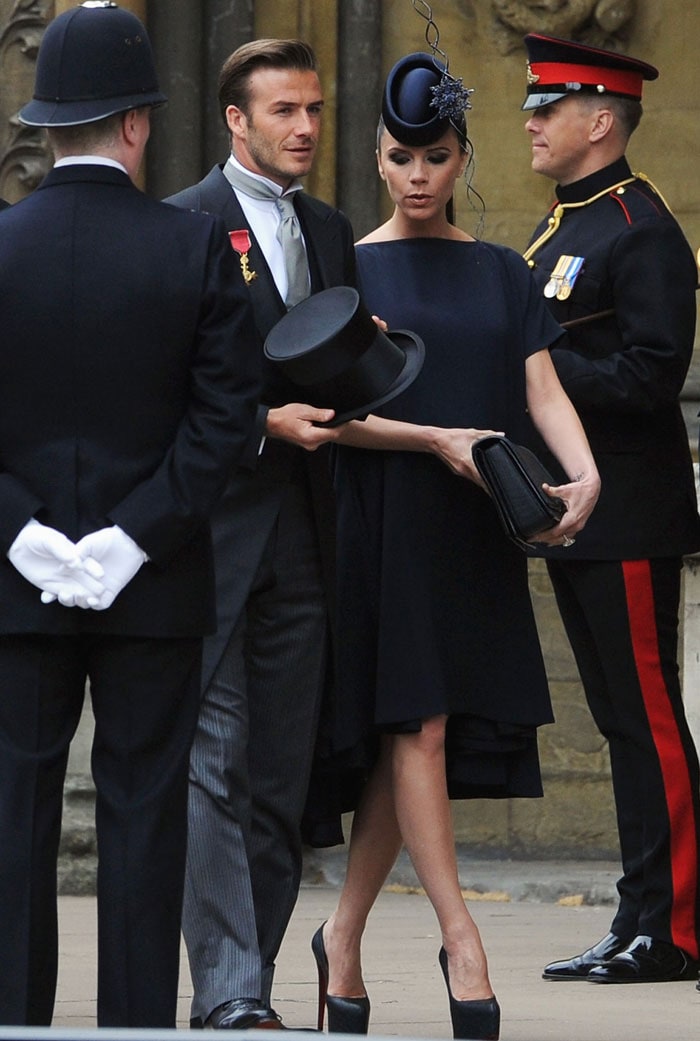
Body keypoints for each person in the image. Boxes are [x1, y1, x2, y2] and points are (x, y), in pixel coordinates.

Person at [308, 51, 600, 1041]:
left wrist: (584, 471)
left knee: (414, 739)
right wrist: (435, 440)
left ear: (460, 157)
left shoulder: (501, 270)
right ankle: (460, 936)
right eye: (401, 157)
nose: (419, 173)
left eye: (436, 155)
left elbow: (541, 391)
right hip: (384, 519)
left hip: (474, 531)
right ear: (379, 163)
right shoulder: (346, 266)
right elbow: (323, 416)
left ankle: (339, 939)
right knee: (418, 728)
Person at [0, 3, 260, 1028]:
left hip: (16, 587)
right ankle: (137, 1026)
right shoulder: (194, 248)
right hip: (153, 584)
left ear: (48, 126)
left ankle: (14, 1021)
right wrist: (131, 538)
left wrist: (24, 534)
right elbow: (226, 422)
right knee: (145, 814)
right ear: (137, 123)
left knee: (16, 817)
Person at [165, 39, 356, 1030]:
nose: (306, 128)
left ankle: (249, 982)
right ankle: (232, 990)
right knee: (215, 767)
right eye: (285, 110)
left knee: (282, 778)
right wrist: (257, 424)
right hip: (213, 540)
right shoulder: (182, 226)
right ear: (235, 120)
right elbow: (155, 392)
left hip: (309, 541)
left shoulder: (329, 229)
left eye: (315, 109)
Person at [520, 33, 700, 985]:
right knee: (620, 719)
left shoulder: (641, 227)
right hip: (581, 512)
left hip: (630, 508)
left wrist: (542, 371)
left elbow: (651, 373)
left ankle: (675, 925)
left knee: (648, 719)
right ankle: (639, 915)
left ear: (601, 121)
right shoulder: (563, 226)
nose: (532, 124)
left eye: (548, 110)